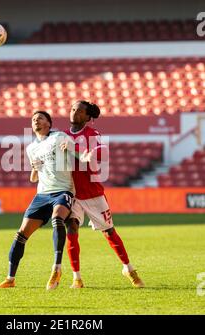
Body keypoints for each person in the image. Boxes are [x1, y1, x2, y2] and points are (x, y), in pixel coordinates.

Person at [60, 100, 145, 289]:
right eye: (73, 109)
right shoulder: (61, 136)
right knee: (71, 230)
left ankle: (128, 269)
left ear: (88, 117)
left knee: (109, 232)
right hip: (72, 193)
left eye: (80, 111)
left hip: (92, 193)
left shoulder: (93, 134)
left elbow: (98, 153)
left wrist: (77, 151)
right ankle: (77, 277)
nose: (74, 113)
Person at [0, 111, 74, 290]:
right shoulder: (32, 148)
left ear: (48, 123)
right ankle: (10, 279)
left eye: (39, 118)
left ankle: (56, 268)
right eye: (33, 119)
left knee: (57, 219)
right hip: (42, 194)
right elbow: (34, 177)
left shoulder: (58, 136)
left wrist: (70, 147)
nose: (35, 121)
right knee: (21, 234)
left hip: (62, 191)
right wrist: (34, 169)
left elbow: (72, 147)